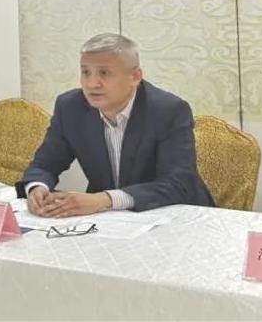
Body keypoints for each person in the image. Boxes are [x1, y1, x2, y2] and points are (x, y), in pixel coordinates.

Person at [16, 33, 214, 217]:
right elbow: (45, 163)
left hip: (173, 213)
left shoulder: (168, 110)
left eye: (104, 73)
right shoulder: (70, 107)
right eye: (86, 72)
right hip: (109, 219)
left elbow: (178, 183)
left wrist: (104, 199)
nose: (92, 83)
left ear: (135, 76)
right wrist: (37, 187)